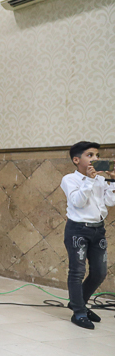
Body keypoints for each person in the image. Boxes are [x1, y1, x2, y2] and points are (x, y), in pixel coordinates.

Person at [60, 141, 115, 330]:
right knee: (77, 271)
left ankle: (79, 303)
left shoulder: (100, 179)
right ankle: (79, 312)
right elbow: (78, 202)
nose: (95, 159)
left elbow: (110, 202)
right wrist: (90, 180)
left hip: (98, 230)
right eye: (90, 155)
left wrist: (113, 181)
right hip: (77, 230)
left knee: (100, 272)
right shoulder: (69, 179)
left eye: (97, 155)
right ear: (76, 160)